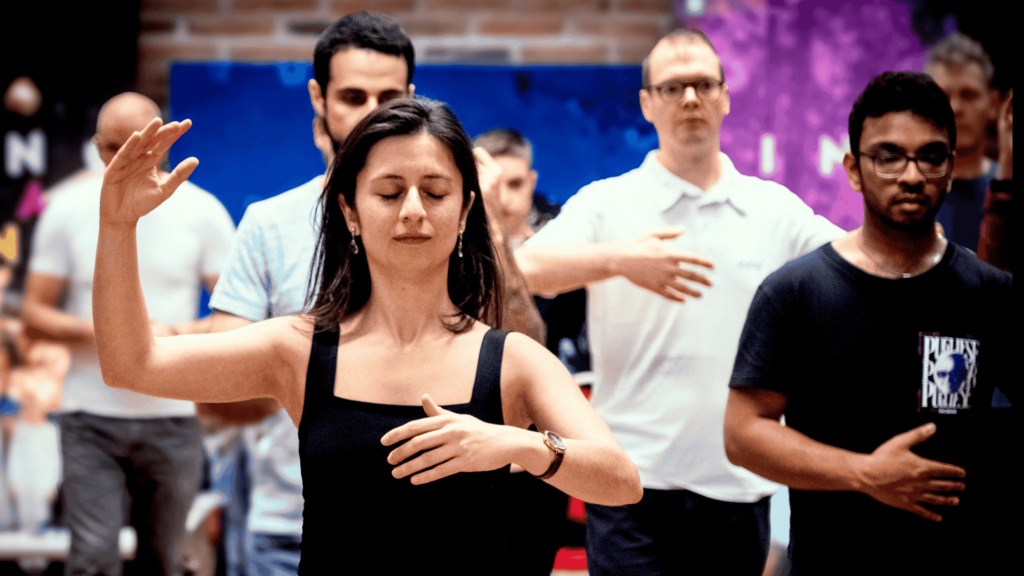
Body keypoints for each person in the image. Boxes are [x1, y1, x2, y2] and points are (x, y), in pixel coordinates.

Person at [91, 98, 643, 574]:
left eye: (435, 191)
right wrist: (117, 226)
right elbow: (131, 364)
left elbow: (620, 480)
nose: (412, 211)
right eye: (388, 192)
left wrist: (514, 444)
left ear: (465, 210)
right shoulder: (298, 350)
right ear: (350, 211)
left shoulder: (512, 360)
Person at [514, 28, 843, 575]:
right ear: (646, 103)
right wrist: (621, 260)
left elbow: (851, 269)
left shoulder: (772, 210)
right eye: (671, 87)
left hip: (736, 484)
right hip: (629, 480)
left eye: (702, 84)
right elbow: (529, 270)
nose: (689, 98)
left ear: (725, 96)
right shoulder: (608, 202)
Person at [724, 71, 1013, 575]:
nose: (911, 174)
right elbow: (743, 433)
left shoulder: (989, 292)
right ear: (855, 170)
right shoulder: (796, 292)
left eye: (930, 155)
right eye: (889, 156)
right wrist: (865, 474)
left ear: (950, 168)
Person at [203, 13, 417, 574]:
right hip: (290, 523)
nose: (373, 113)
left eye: (389, 96)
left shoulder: (445, 220)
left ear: (412, 99)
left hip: (426, 522)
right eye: (353, 96)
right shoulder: (270, 223)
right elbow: (221, 383)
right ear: (319, 99)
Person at [23, 92, 236, 575]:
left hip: (173, 415)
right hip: (88, 417)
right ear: (95, 145)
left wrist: (171, 333)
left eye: (135, 146)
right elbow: (35, 315)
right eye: (110, 148)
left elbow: (235, 315)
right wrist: (116, 333)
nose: (121, 159)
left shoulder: (202, 212)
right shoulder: (66, 208)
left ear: (159, 141)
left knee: (163, 561)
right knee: (93, 559)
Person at [924, 32, 1001, 250]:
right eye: (943, 97)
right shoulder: (905, 194)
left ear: (994, 103)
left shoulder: (1009, 191)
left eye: (968, 95)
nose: (955, 108)